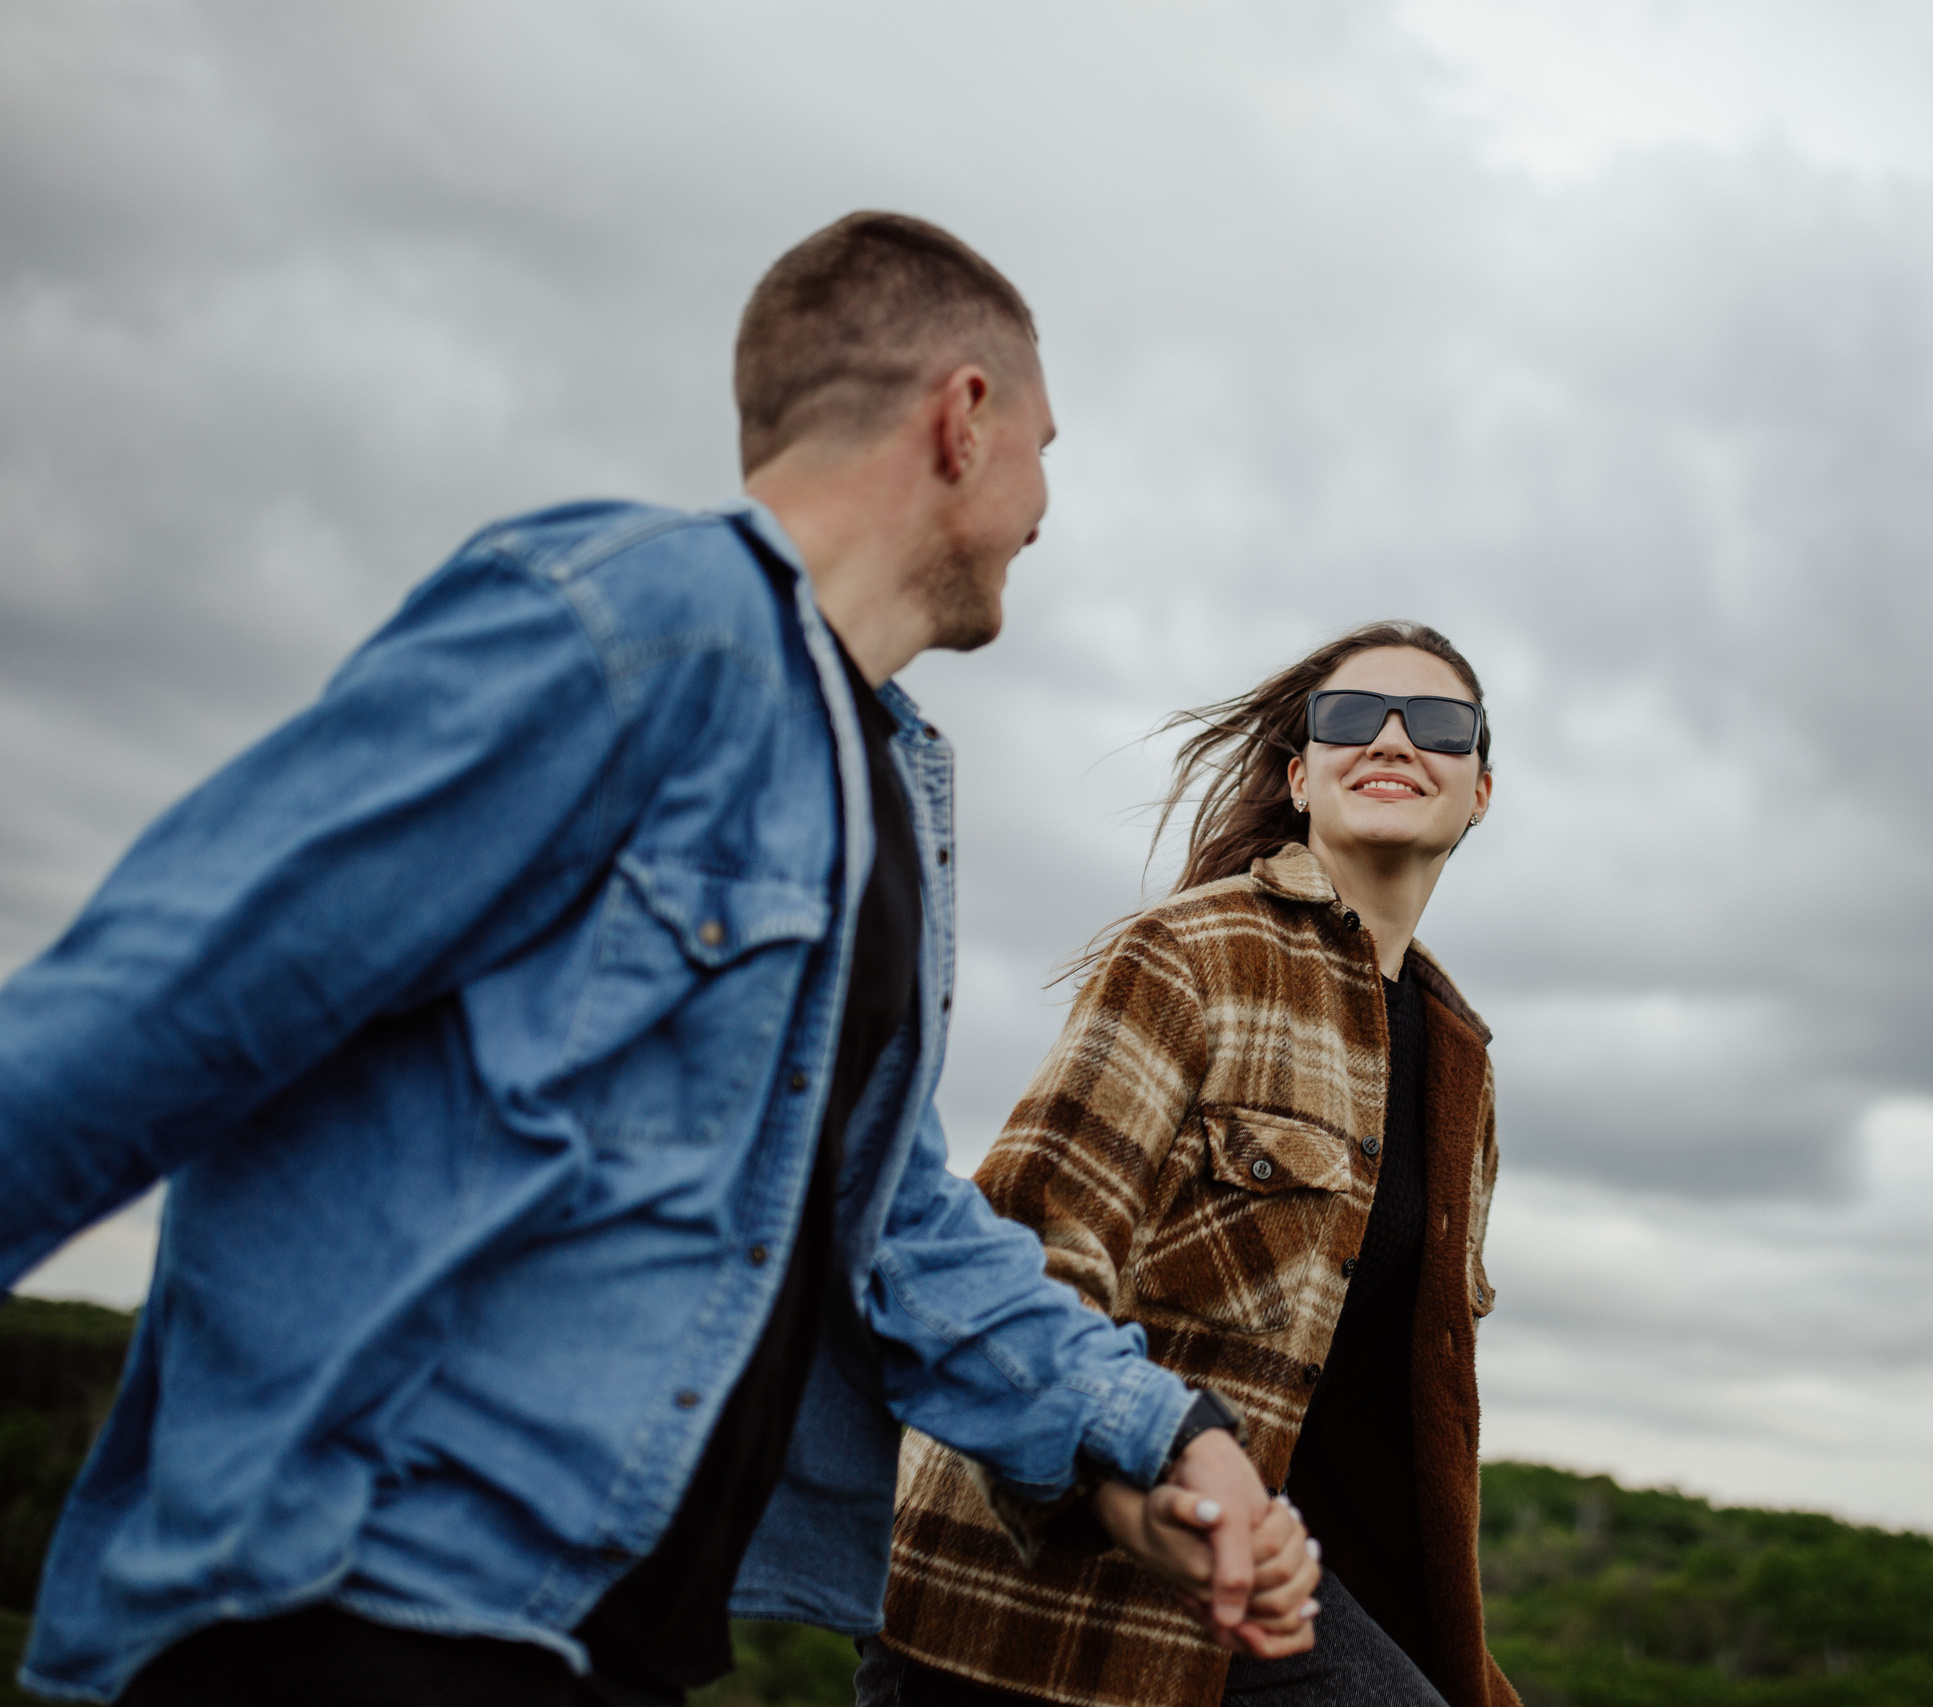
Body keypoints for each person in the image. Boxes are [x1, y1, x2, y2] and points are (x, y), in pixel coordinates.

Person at [0, 211, 1317, 1706]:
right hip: (354, 1604)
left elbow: (887, 1230)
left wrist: (1161, 1430)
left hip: (595, 1639)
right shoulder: (636, 625)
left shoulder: (876, 780)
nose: (1044, 507)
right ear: (963, 419)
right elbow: (161, 1001)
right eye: (1045, 448)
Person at [862, 623, 1521, 1707]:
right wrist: (1130, 1491)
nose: (1395, 739)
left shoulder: (1462, 1067)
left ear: (1480, 790)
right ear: (1300, 776)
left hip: (1261, 1587)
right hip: (1032, 1608)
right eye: (1353, 718)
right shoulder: (1191, 956)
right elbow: (1033, 1251)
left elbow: (1387, 1413)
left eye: (1438, 725)